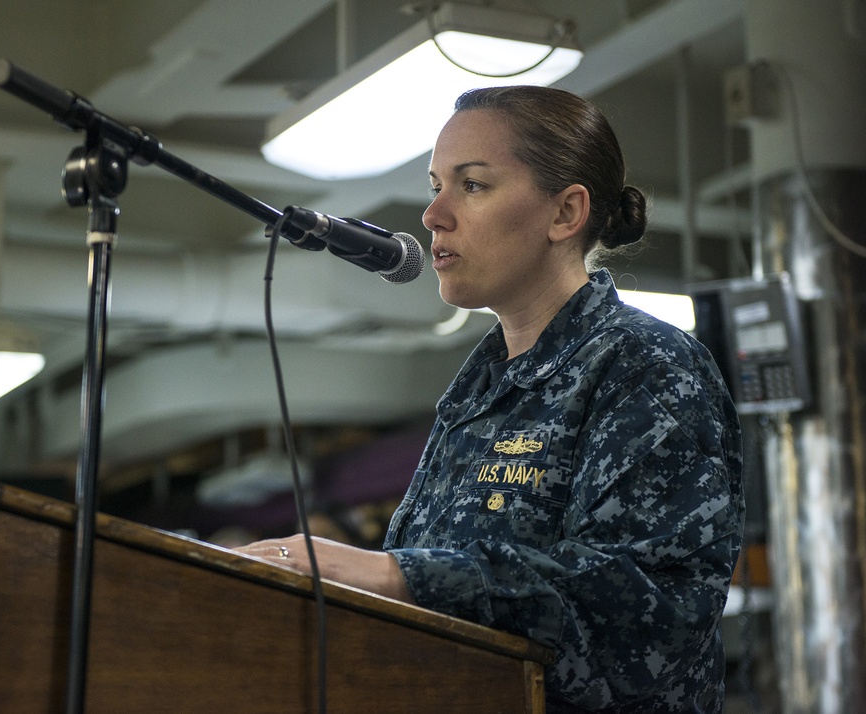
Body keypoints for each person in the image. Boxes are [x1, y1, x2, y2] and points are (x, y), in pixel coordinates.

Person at [236, 85, 745, 712]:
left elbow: (642, 613)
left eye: (472, 185)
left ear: (565, 214)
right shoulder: (477, 388)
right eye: (435, 186)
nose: (433, 216)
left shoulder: (646, 365)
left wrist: (397, 575)